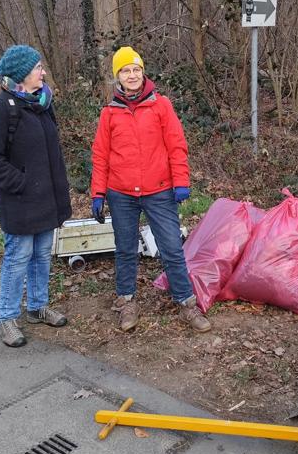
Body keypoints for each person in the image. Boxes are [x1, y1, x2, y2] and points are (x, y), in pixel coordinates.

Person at [90, 46, 211, 333]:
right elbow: (100, 155)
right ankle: (127, 301)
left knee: (171, 247)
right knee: (125, 249)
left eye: (136, 69)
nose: (131, 75)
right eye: (125, 71)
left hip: (159, 191)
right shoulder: (109, 113)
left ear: (143, 72)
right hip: (121, 193)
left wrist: (181, 182)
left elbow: (176, 145)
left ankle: (186, 304)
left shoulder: (161, 105)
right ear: (117, 77)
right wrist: (98, 193)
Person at [0, 45, 72, 347]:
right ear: (20, 75)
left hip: (46, 198)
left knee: (43, 254)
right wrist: (20, 183)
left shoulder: (42, 103)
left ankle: (37, 306)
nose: (42, 72)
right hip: (19, 200)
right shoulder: (0, 108)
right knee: (18, 257)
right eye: (37, 68)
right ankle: (6, 317)